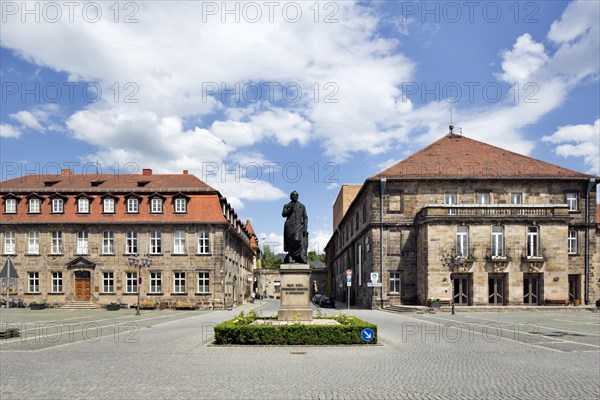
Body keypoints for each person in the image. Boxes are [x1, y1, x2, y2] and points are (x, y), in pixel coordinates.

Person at [282, 191, 308, 263]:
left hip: (298, 224)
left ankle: (294, 255)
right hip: (289, 225)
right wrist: (290, 209)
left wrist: (305, 228)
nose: (295, 197)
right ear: (290, 197)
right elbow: (283, 214)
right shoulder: (286, 205)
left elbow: (305, 217)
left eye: (296, 195)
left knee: (297, 240)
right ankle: (292, 256)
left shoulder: (302, 206)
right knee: (290, 241)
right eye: (293, 195)